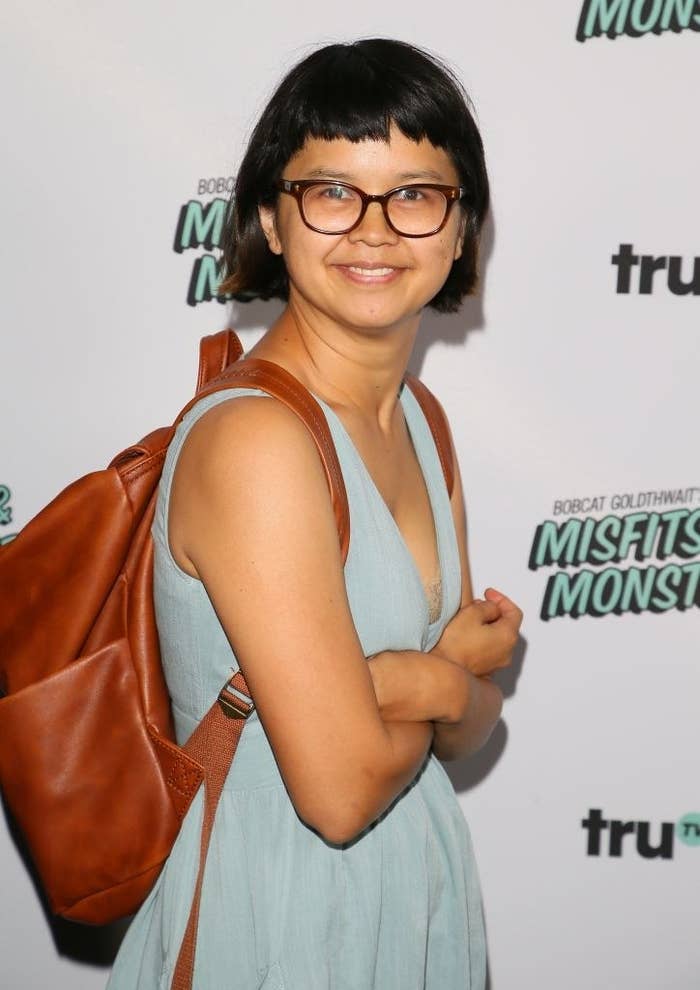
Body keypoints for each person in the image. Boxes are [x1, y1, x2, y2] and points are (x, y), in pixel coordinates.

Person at [107, 37, 522, 990]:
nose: (375, 230)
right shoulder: (256, 442)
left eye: (416, 194)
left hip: (414, 903)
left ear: (462, 229)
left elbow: (466, 731)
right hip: (277, 920)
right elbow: (336, 795)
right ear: (272, 220)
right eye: (332, 192)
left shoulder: (422, 420)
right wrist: (446, 676)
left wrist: (429, 682)